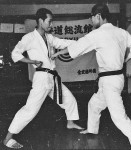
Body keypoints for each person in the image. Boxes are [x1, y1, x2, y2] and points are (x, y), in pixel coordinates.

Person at [51, 3, 131, 149]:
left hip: (109, 81)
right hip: (112, 79)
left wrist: (57, 53)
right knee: (94, 105)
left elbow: (77, 46)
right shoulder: (121, 32)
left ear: (98, 16)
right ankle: (92, 130)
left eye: (92, 18)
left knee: (120, 119)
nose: (91, 21)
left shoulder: (98, 34)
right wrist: (126, 58)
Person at [3, 8, 83, 149]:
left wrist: (83, 41)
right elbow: (15, 54)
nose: (51, 24)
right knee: (30, 110)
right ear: (40, 21)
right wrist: (32, 61)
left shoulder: (49, 37)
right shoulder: (29, 38)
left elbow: (63, 42)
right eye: (49, 21)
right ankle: (7, 139)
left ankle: (70, 123)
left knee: (69, 99)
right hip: (41, 78)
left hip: (52, 77)